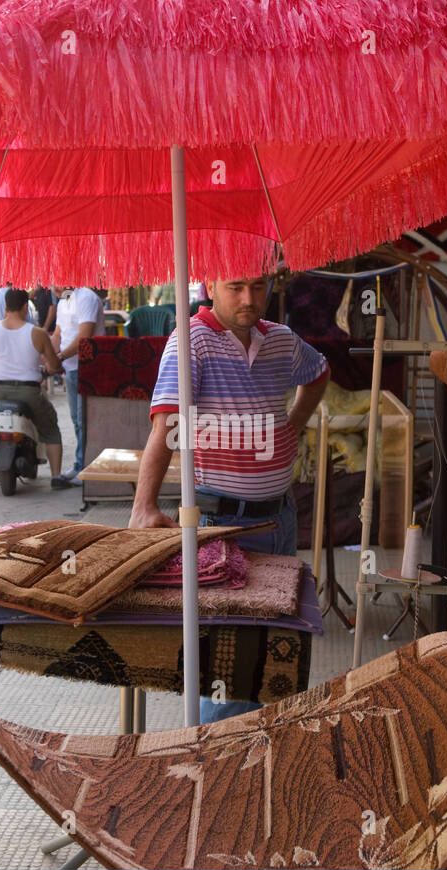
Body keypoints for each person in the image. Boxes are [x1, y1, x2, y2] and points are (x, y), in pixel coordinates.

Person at [129, 276, 329, 723]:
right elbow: (166, 427)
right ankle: (217, 771)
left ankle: (257, 765)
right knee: (229, 667)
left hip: (280, 520)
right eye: (235, 287)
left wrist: (292, 423)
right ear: (210, 286)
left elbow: (318, 374)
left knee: (274, 653)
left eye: (258, 287)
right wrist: (143, 507)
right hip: (222, 523)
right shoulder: (192, 341)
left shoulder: (280, 339)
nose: (248, 299)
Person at [0, 287, 72, 488]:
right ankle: (56, 476)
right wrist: (54, 367)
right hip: (29, 392)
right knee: (50, 428)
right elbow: (53, 364)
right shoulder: (37, 333)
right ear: (26, 307)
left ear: (6, 306)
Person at [53, 286, 104, 481]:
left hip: (87, 367)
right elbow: (58, 333)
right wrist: (48, 353)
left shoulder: (86, 297)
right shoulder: (62, 302)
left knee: (85, 420)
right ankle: (80, 463)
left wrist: (58, 357)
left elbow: (85, 336)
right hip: (71, 368)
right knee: (76, 420)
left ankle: (85, 466)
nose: (52, 285)